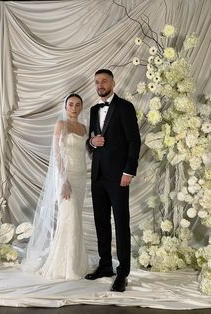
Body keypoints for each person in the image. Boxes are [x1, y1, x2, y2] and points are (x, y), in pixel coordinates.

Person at [85, 69, 141, 292]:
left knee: (121, 223)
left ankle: (123, 273)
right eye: (97, 81)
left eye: (104, 81)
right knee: (101, 222)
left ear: (113, 83)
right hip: (97, 175)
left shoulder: (125, 107)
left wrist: (129, 171)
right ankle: (105, 265)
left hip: (119, 177)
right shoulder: (92, 110)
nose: (100, 84)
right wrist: (91, 142)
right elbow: (92, 141)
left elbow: (134, 141)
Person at [22, 93, 88, 281]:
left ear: (81, 107)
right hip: (66, 177)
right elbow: (57, 154)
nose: (74, 108)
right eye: (71, 104)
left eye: (77, 105)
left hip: (81, 176)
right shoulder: (61, 125)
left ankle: (76, 263)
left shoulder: (84, 128)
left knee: (76, 219)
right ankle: (63, 267)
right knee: (69, 218)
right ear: (65, 107)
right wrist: (64, 180)